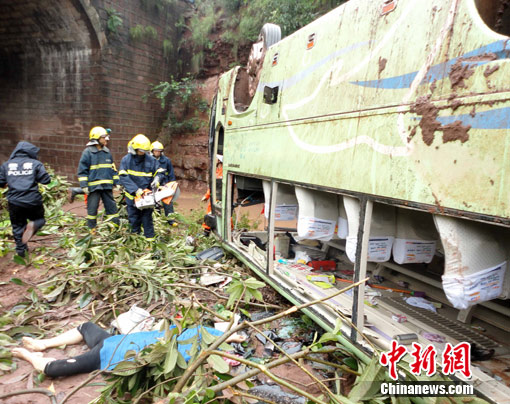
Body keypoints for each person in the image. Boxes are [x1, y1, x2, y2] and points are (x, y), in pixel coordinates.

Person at [12, 322, 245, 377]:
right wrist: (234, 338)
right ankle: (40, 348)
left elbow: (226, 333)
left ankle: (34, 351)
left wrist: (235, 337)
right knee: (54, 368)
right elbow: (228, 335)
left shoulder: (191, 333)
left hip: (112, 346)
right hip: (110, 350)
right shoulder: (189, 355)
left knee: (85, 327)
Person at [0, 141, 51, 257]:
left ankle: (21, 252)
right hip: (32, 199)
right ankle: (33, 225)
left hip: (14, 201)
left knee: (18, 226)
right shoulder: (36, 164)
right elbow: (46, 180)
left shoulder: (6, 165)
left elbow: (1, 182)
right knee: (39, 220)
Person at [119, 134, 162, 240]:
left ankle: (149, 241)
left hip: (146, 197)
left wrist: (157, 179)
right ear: (135, 149)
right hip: (132, 196)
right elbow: (123, 177)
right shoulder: (126, 160)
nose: (143, 153)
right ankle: (135, 241)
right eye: (141, 151)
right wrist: (135, 190)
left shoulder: (151, 160)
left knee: (147, 219)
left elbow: (159, 172)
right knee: (134, 220)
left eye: (145, 151)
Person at [77, 127, 120, 230]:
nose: (106, 139)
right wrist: (84, 186)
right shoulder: (87, 152)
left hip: (107, 187)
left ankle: (115, 230)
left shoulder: (107, 152)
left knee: (112, 209)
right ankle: (92, 231)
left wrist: (117, 182)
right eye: (104, 137)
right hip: (94, 187)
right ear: (96, 139)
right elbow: (82, 171)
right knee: (92, 210)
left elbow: (112, 168)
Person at [150, 141, 178, 226]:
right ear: (152, 151)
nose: (157, 153)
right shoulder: (149, 160)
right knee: (155, 202)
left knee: (168, 202)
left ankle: (171, 220)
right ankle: (157, 219)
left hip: (165, 184)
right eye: (156, 151)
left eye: (159, 151)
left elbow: (171, 174)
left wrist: (172, 185)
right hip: (153, 184)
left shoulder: (166, 160)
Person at [202, 155, 223, 236]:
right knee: (211, 210)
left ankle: (226, 230)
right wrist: (207, 195)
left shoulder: (222, 171)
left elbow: (217, 185)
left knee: (220, 212)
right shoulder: (217, 171)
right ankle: (207, 230)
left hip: (220, 196)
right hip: (215, 195)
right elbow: (213, 186)